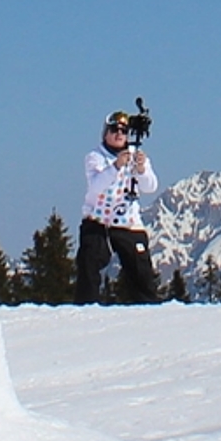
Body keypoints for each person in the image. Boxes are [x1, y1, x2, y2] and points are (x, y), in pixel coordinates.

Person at [75, 110, 160, 304]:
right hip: (98, 220)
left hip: (127, 221)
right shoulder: (95, 157)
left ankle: (148, 310)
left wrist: (141, 169)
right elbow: (96, 186)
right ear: (106, 133)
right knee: (89, 263)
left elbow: (150, 186)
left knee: (141, 270)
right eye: (114, 130)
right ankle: (85, 308)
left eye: (124, 131)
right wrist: (115, 166)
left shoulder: (136, 156)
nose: (119, 134)